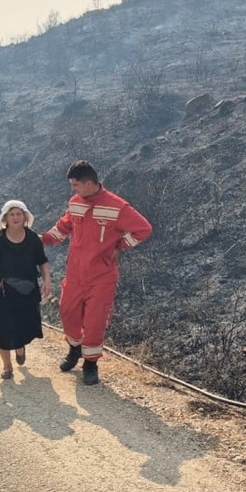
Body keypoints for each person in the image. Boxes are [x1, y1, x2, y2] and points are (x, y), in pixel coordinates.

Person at [41, 160, 152, 385]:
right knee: (67, 312)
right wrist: (38, 241)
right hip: (75, 274)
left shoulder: (117, 206)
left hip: (102, 277)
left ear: (90, 183)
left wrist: (120, 245)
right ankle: (74, 348)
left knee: (95, 321)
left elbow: (143, 229)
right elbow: (62, 228)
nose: (74, 190)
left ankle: (90, 363)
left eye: (76, 185)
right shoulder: (75, 203)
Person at [0, 200, 51, 379]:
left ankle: (20, 347)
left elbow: (42, 261)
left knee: (24, 326)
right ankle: (7, 366)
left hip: (27, 293)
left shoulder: (33, 239)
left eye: (19, 214)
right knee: (1, 329)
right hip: (2, 292)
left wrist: (47, 281)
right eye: (11, 214)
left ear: (25, 217)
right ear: (5, 218)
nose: (15, 218)